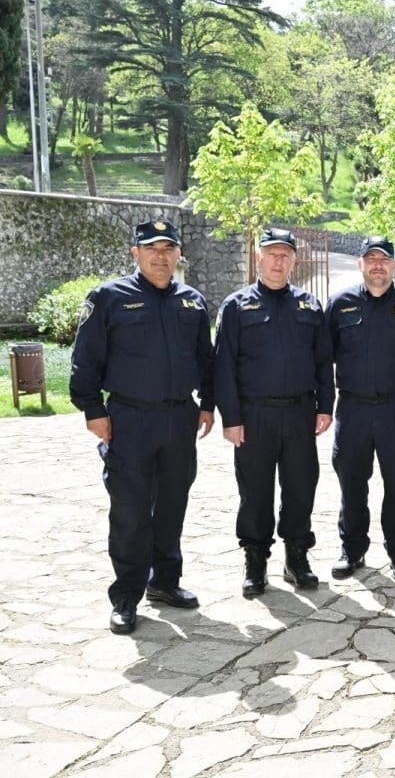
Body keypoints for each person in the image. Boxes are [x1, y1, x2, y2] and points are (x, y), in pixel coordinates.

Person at [70, 220, 214, 634]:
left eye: (168, 249)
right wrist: (92, 409)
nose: (160, 256)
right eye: (152, 248)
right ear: (135, 253)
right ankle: (126, 596)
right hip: (129, 420)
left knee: (172, 505)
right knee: (130, 511)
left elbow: (205, 359)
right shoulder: (109, 297)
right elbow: (85, 359)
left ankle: (165, 582)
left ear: (178, 254)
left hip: (179, 418)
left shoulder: (192, 301)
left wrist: (208, 404)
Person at [213, 228, 334, 597]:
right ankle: (255, 560)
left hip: (299, 414)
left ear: (294, 260)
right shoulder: (236, 306)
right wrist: (231, 418)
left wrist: (325, 406)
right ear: (258, 257)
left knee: (301, 488)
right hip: (254, 416)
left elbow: (323, 362)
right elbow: (224, 366)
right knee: (255, 492)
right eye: (272, 254)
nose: (278, 261)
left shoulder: (309, 306)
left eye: (285, 255)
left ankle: (296, 557)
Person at [327, 236, 395, 582]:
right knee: (352, 485)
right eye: (371, 259)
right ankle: (352, 550)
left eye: (384, 260)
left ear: (393, 265)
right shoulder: (340, 304)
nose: (377, 265)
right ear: (360, 264)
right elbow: (324, 353)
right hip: (353, 409)